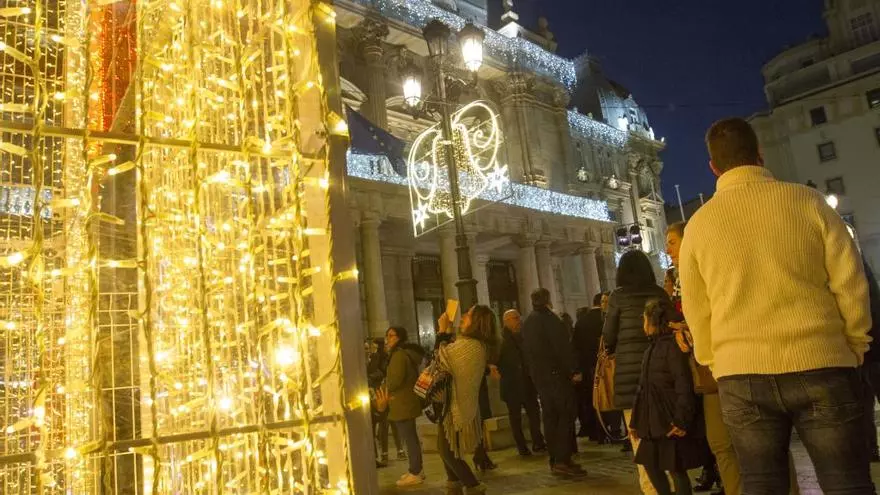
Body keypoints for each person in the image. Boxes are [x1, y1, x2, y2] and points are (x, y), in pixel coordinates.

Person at [679, 117, 873, 494]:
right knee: (846, 481)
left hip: (741, 370)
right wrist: (854, 341)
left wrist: (715, 360)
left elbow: (696, 308)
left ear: (713, 166)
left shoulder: (698, 226)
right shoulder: (808, 201)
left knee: (762, 483)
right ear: (759, 154)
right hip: (822, 360)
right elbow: (850, 282)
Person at [603, 249, 671, 494]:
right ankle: (671, 485)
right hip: (662, 374)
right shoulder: (660, 294)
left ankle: (651, 489)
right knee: (665, 437)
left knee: (639, 439)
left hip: (630, 380)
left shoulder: (617, 297)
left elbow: (608, 336)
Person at [631, 298, 711, 495]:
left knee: (676, 468)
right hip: (652, 420)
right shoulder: (651, 348)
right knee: (650, 463)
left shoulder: (672, 347)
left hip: (669, 419)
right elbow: (642, 388)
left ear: (653, 321)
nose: (643, 324)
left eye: (644, 319)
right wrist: (635, 421)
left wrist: (682, 419)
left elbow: (683, 384)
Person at [522, 288, 587, 477]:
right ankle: (562, 459)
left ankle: (556, 459)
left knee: (550, 418)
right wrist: (573, 370)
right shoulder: (550, 320)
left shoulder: (528, 322)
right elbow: (562, 348)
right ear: (548, 300)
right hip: (557, 376)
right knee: (565, 416)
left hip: (540, 378)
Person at [436, 305, 498, 495]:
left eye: (469, 315)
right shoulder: (470, 344)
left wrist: (442, 332)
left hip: (455, 406)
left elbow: (440, 360)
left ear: (477, 322)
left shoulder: (470, 346)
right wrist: (446, 333)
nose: (463, 317)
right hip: (450, 404)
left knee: (448, 451)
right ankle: (454, 484)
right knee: (446, 450)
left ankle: (473, 487)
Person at [497, 309, 547, 456]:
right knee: (515, 417)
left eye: (518, 317)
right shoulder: (500, 339)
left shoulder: (525, 335)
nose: (518, 321)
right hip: (511, 384)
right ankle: (522, 446)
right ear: (506, 321)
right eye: (514, 318)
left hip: (528, 382)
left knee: (534, 413)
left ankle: (538, 442)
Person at [384, 327, 426, 487]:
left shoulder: (399, 355)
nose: (388, 339)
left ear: (399, 337)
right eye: (387, 335)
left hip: (402, 402)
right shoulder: (404, 353)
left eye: (391, 335)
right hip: (407, 401)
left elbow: (394, 380)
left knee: (409, 438)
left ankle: (415, 471)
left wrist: (385, 387)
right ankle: (416, 469)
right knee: (410, 437)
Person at [573, 295, 605, 441]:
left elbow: (575, 346)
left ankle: (594, 431)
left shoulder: (581, 322)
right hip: (604, 364)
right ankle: (612, 429)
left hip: (586, 366)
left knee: (589, 400)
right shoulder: (604, 318)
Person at [860, 260, 880, 462]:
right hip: (867, 346)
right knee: (862, 406)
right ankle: (870, 451)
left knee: (862, 406)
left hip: (861, 349)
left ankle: (870, 451)